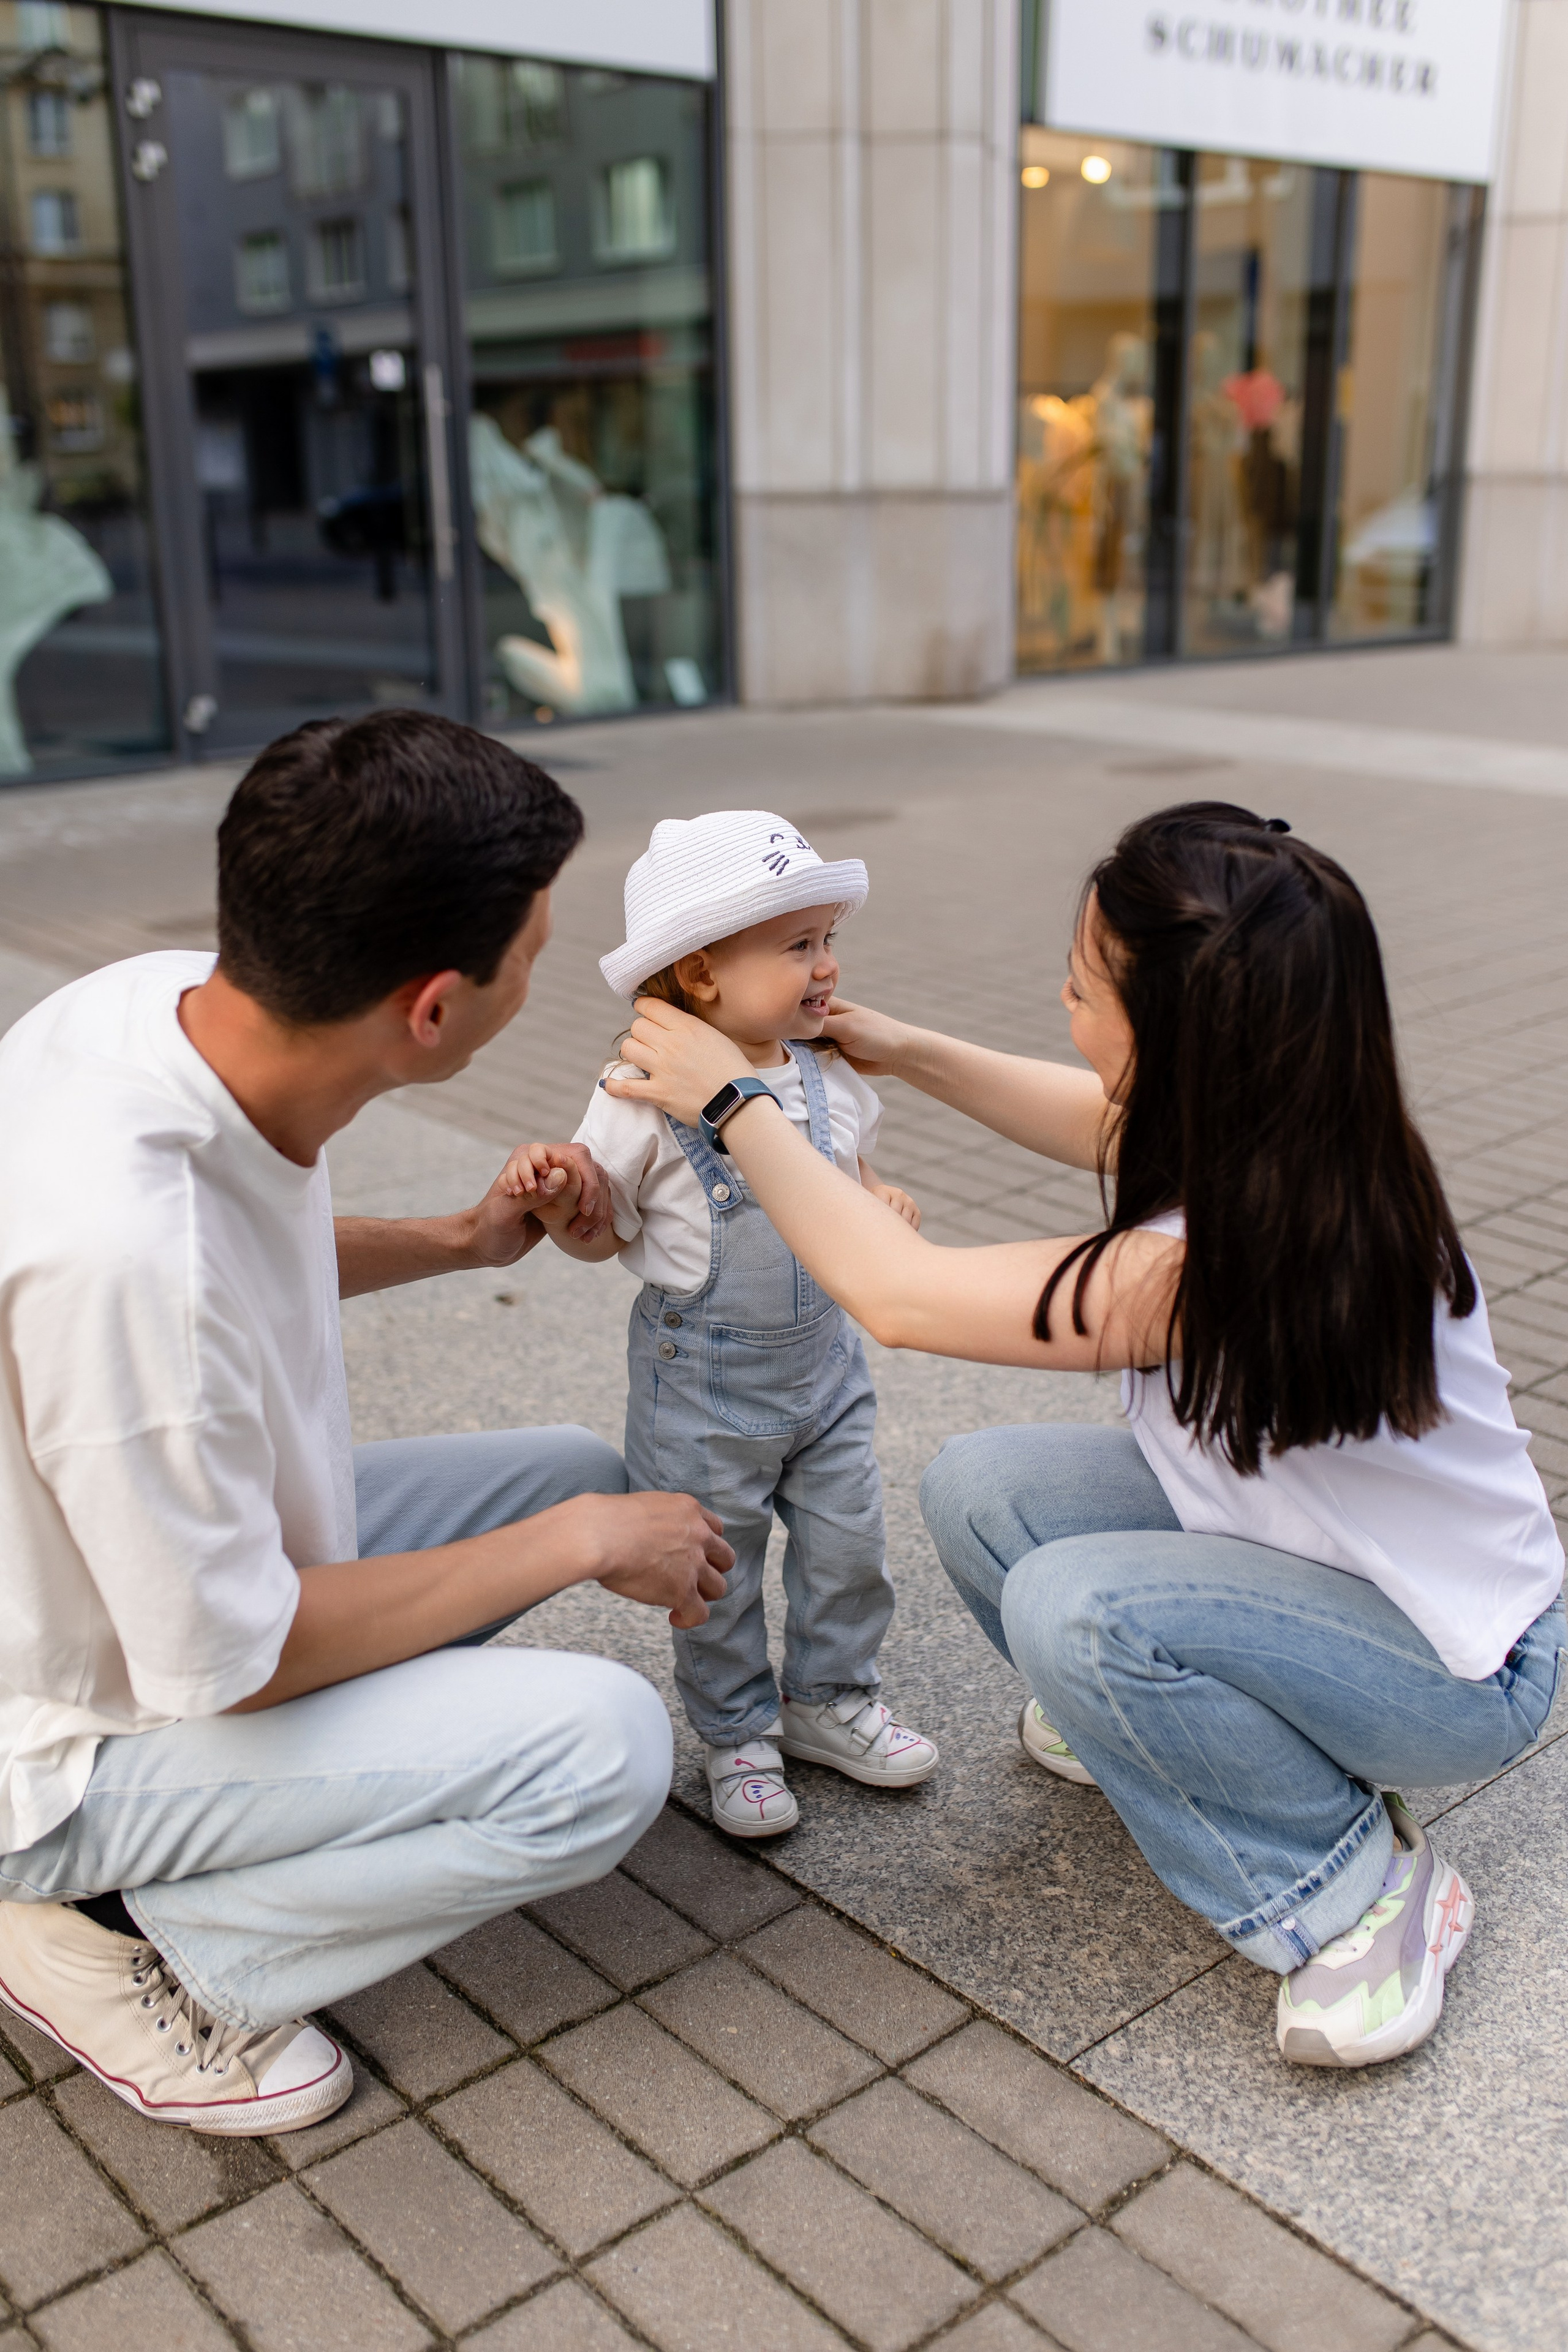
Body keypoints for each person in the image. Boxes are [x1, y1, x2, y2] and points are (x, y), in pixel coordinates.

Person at [604, 801, 1566, 2070]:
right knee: (980, 1486)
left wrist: (735, 1104)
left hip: (1455, 1672)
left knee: (1078, 1607)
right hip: (1325, 1572)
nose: (1059, 1001)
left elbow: (901, 1297)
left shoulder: (1211, 1263)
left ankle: (1353, 1890)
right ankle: (1168, 1732)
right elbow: (1087, 1118)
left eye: (1076, 988)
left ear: (1171, 1034)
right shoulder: (1291, 1134)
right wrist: (888, 1044)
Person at [0, 710, 731, 2136]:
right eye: (530, 946)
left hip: (120, 1562)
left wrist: (461, 1241)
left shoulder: (167, 1010)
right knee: (604, 1750)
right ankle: (118, 1942)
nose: (548, 965)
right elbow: (239, 1658)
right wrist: (577, 1547)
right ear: (432, 1008)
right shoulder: (125, 1262)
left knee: (572, 1476)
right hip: (62, 1737)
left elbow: (240, 1243)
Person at [518, 809, 938, 1837]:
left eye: (830, 940)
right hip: (702, 1384)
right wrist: (560, 1194)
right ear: (701, 974)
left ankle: (831, 1700)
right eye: (799, 946)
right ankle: (736, 1729)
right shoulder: (640, 1095)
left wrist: (877, 1196)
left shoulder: (823, 1072)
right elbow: (598, 1228)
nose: (828, 967)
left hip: (826, 1372)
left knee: (850, 1546)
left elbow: (843, 1172)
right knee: (717, 1564)